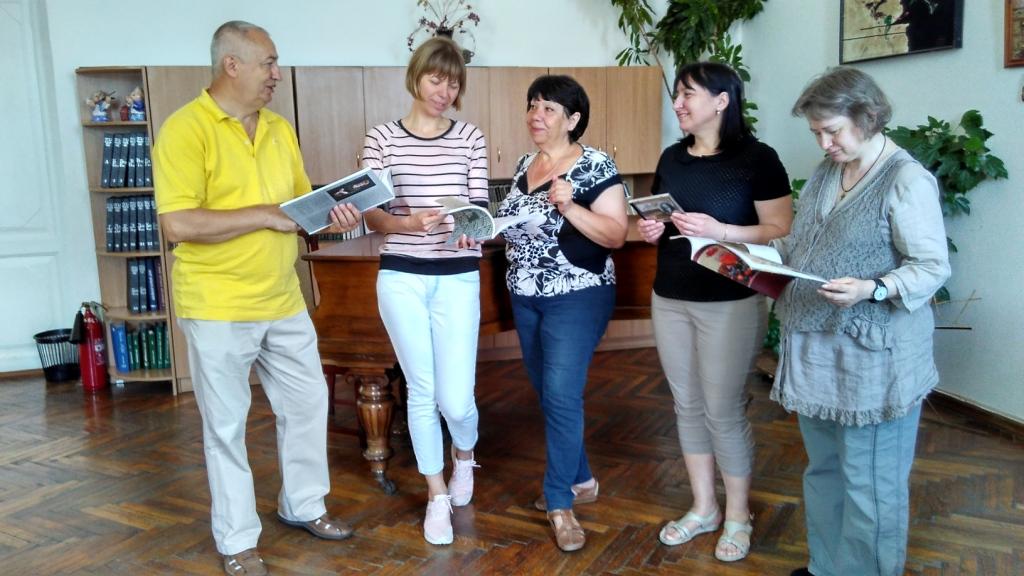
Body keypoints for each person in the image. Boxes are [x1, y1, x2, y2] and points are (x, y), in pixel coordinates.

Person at [153, 21, 361, 576]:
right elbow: (178, 224)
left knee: (307, 404)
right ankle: (238, 539)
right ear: (232, 65)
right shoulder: (184, 129)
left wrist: (332, 214)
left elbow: (296, 208)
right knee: (226, 426)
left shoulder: (278, 129)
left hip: (282, 297)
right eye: (268, 62)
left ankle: (304, 505)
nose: (276, 73)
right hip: (217, 305)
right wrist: (266, 215)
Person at [775, 66, 950, 576]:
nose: (824, 143)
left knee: (871, 486)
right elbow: (804, 244)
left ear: (868, 117)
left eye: (832, 131)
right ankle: (825, 567)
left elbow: (931, 268)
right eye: (817, 132)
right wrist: (753, 256)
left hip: (875, 364)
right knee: (825, 471)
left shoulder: (906, 180)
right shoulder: (827, 172)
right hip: (817, 355)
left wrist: (872, 288)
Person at [636, 61, 793, 562]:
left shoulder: (758, 159)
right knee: (686, 405)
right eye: (677, 95)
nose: (678, 103)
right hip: (670, 296)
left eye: (688, 94)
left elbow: (780, 230)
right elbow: (665, 221)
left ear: (722, 100)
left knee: (723, 410)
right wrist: (652, 230)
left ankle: (739, 515)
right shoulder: (672, 157)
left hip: (731, 301)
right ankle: (704, 507)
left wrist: (720, 230)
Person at [360, 36, 488, 547]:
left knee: (456, 402)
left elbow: (478, 208)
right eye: (437, 79)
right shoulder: (382, 138)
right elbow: (372, 215)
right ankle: (436, 495)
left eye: (453, 83)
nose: (444, 91)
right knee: (422, 389)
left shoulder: (471, 137)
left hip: (457, 274)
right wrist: (407, 223)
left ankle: (464, 455)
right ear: (416, 76)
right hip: (402, 275)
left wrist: (471, 230)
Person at [496, 74, 628, 552]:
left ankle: (559, 502)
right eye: (533, 105)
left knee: (560, 394)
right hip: (525, 294)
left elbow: (616, 235)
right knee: (550, 394)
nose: (537, 114)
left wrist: (570, 206)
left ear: (573, 119)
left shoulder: (595, 164)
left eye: (549, 108)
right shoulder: (522, 164)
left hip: (578, 292)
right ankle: (583, 479)